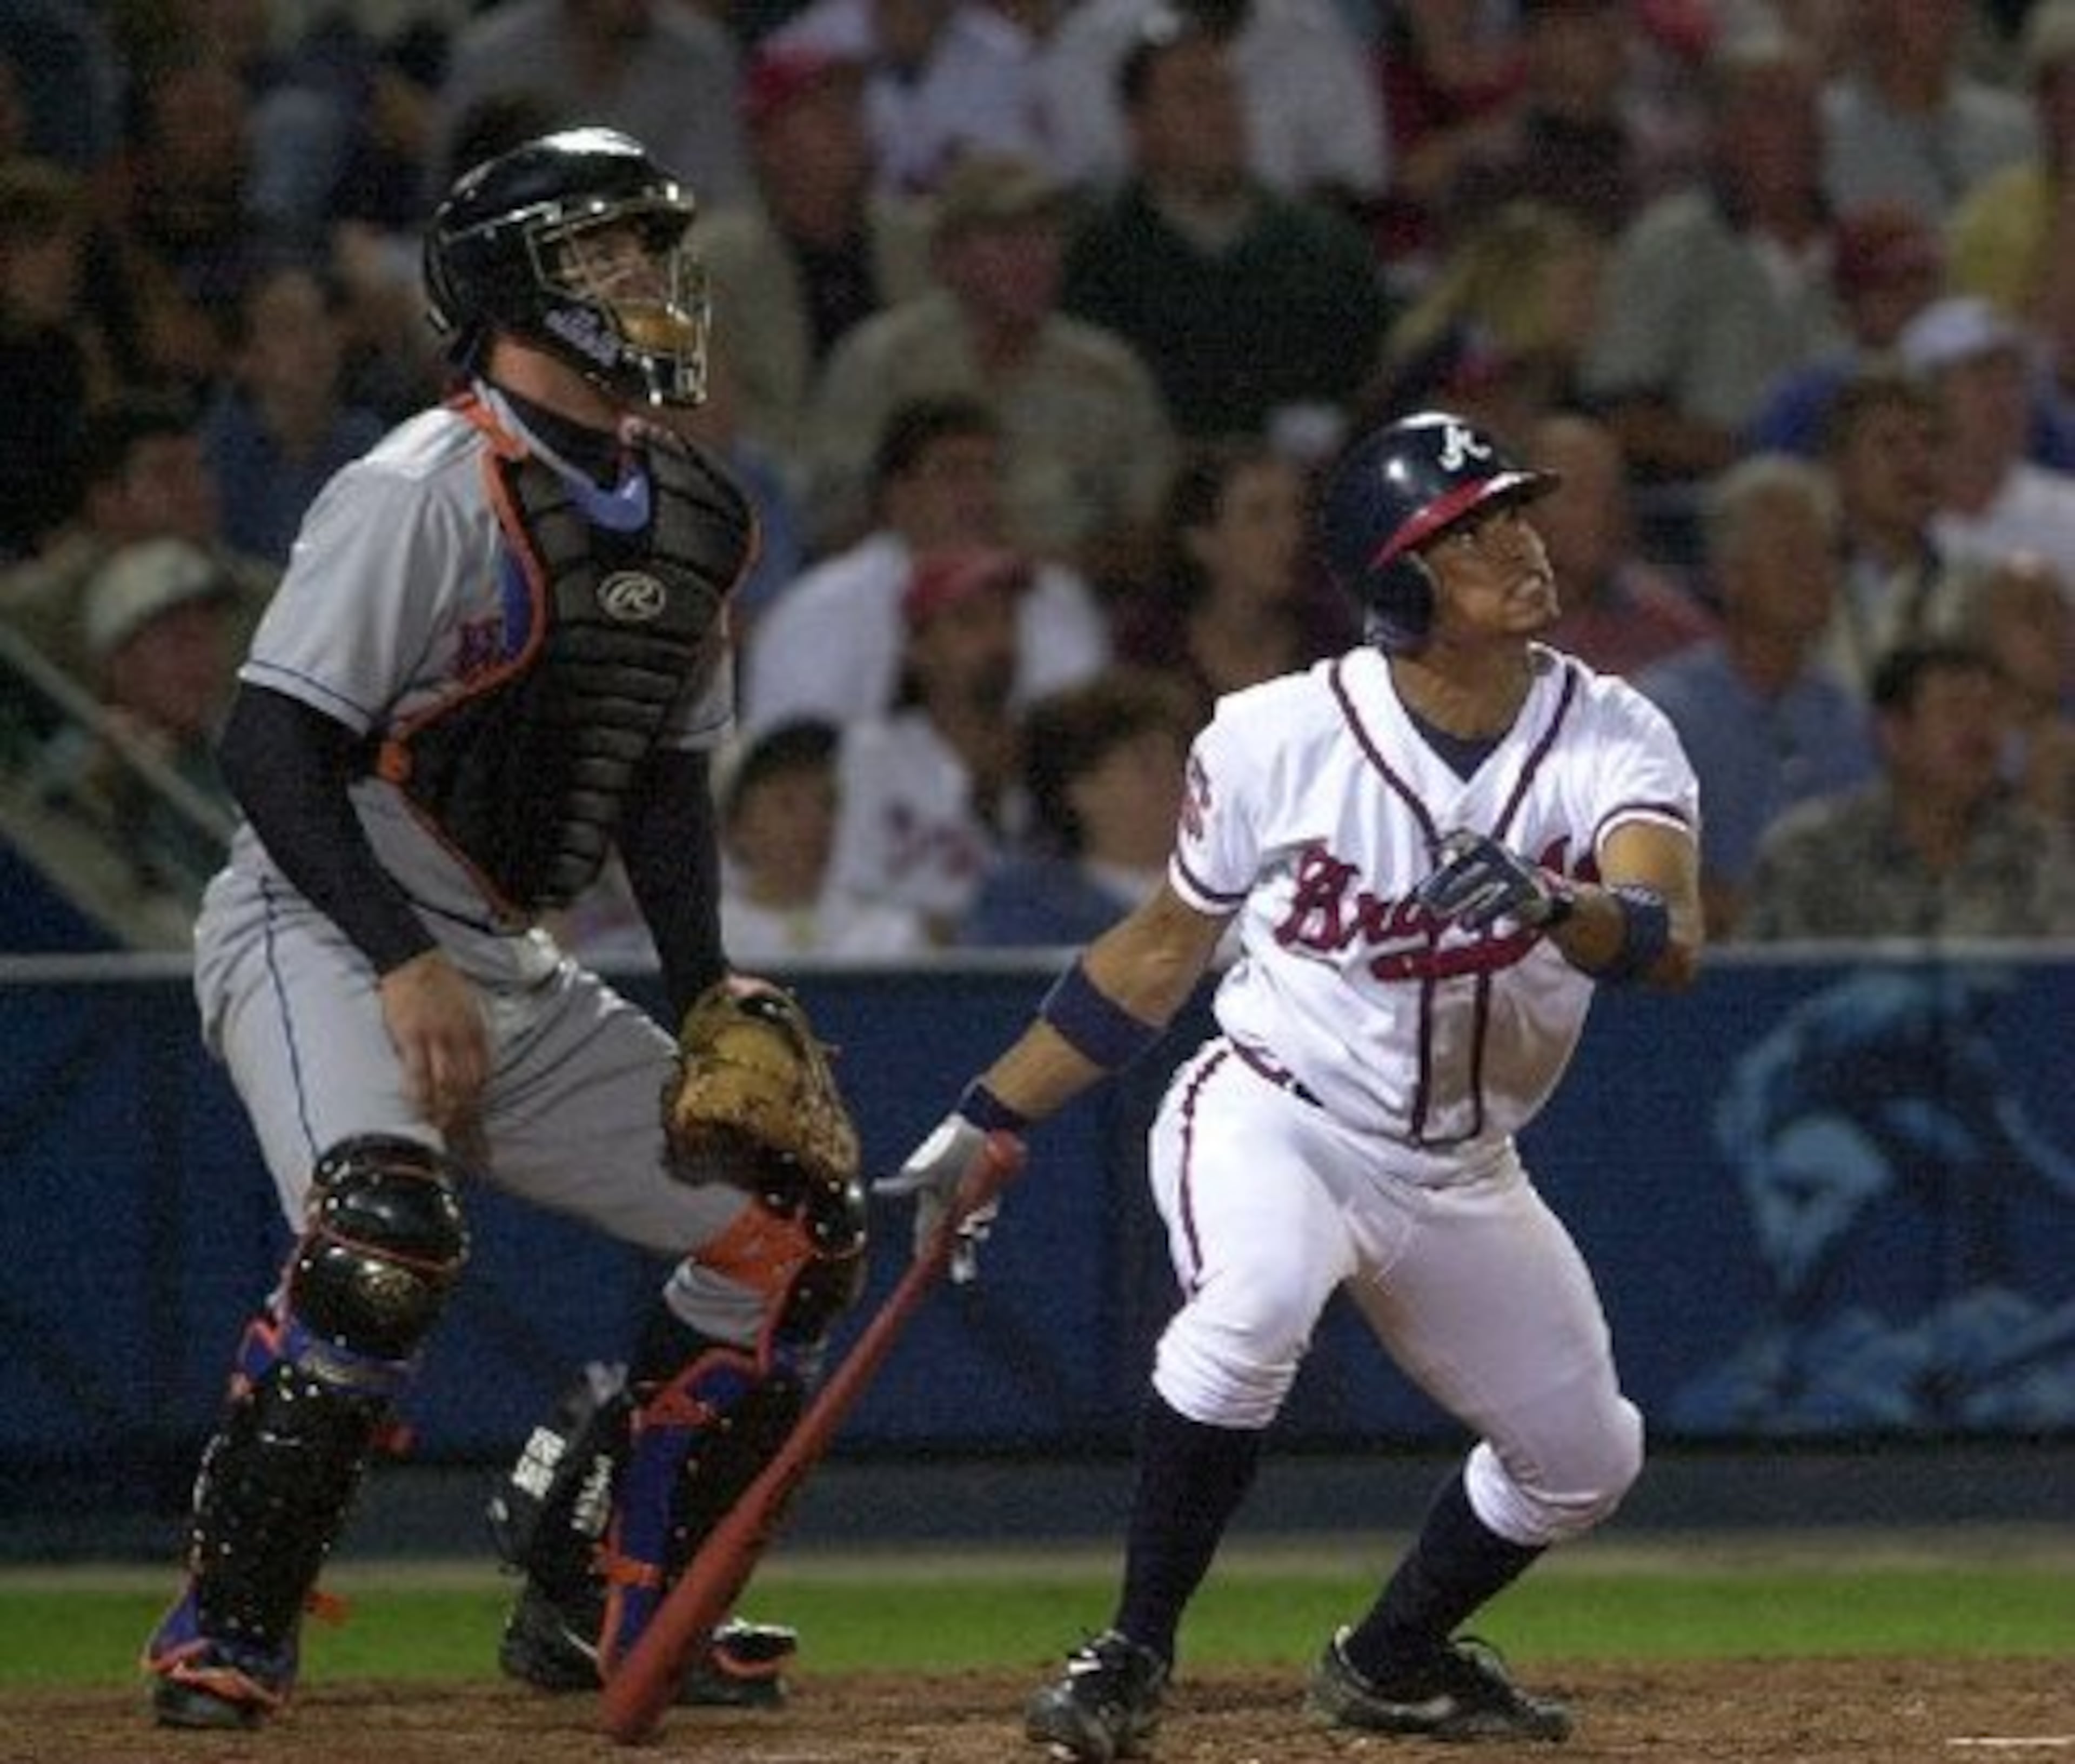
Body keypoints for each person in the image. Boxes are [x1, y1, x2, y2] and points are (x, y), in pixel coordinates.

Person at [139, 129, 864, 1730]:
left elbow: (666, 783)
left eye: (647, 250)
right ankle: (226, 1626)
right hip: (318, 923)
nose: (645, 283)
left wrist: (702, 992)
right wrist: (400, 961)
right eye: (602, 254)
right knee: (382, 1236)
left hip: (510, 953)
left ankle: (606, 1581)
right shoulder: (418, 488)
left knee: (792, 1218)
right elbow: (269, 743)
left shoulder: (690, 508)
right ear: (509, 286)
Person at [879, 410, 1704, 1758]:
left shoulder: (1611, 732)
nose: (1518, 541)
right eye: (1471, 528)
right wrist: (986, 1111)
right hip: (1278, 1112)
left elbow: (1664, 941)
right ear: (1395, 574)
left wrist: (1556, 904)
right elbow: (1155, 954)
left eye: (1512, 513)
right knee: (1252, 1304)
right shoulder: (1273, 735)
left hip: (1459, 1167)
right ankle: (1131, 1652)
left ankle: (1391, 1658)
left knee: (1585, 1455)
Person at [1634, 453, 1875, 936]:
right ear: (1730, 575)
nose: (1815, 574)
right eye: (1792, 554)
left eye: (1825, 554)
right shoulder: (1660, 715)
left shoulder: (1850, 719)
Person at [1738, 639, 2075, 940]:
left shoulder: (2042, 856)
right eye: (1956, 709)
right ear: (1894, 733)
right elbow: (1761, 993)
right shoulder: (1810, 854)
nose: (1979, 728)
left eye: (1990, 710)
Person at [961, 665, 1196, 947]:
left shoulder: (1250, 894)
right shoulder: (1026, 912)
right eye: (1146, 765)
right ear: (1079, 789)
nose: (1175, 779)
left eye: (1182, 761)